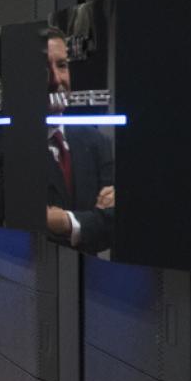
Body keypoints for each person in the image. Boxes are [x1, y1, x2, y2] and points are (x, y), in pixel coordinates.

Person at [42, 29, 116, 253]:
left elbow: (114, 226)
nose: (57, 79)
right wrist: (93, 220)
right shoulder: (6, 148)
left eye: (62, 65)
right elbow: (31, 234)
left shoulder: (96, 142)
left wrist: (64, 221)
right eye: (44, 68)